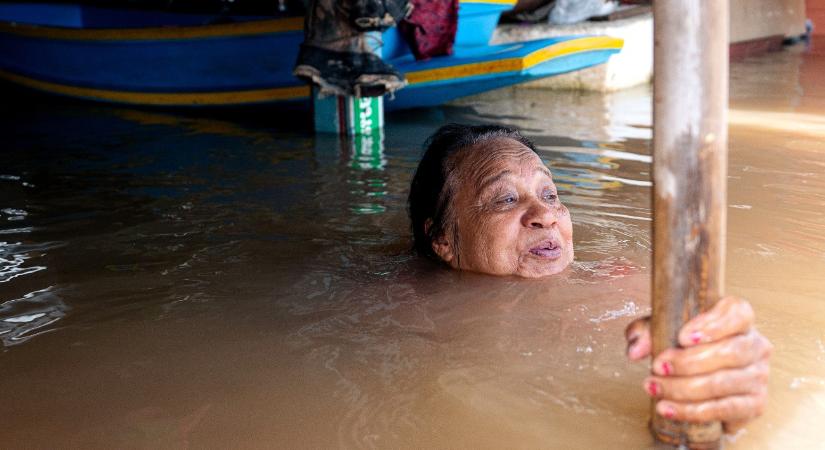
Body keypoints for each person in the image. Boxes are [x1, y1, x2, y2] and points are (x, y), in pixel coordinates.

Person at [408, 123, 772, 433]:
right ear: (442, 239)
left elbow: (707, 332)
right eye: (505, 199)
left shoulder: (618, 282)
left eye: (549, 194)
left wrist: (723, 358)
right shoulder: (408, 310)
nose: (545, 215)